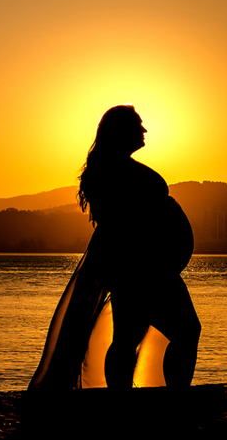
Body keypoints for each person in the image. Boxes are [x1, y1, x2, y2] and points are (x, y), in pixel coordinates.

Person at [28, 104, 201, 390]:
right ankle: (161, 398)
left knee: (133, 336)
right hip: (140, 266)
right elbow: (123, 223)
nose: (144, 130)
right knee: (178, 331)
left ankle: (131, 398)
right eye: (138, 124)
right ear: (122, 131)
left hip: (144, 266)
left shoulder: (113, 167)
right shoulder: (112, 171)